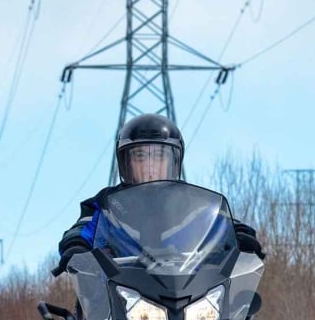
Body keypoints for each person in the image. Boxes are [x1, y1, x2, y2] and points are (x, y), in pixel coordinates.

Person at [55, 113, 264, 272]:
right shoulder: (106, 206)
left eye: (158, 156)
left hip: (192, 297)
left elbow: (223, 224)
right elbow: (83, 230)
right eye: (139, 157)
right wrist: (76, 246)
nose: (149, 166)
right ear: (124, 162)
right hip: (115, 299)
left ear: (174, 160)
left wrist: (241, 237)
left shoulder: (196, 205)